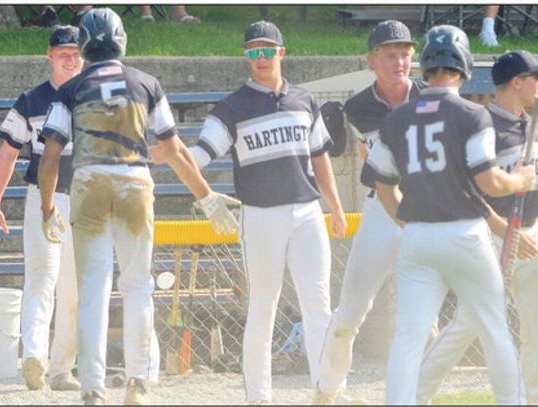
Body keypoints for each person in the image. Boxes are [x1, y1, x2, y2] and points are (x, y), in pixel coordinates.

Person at [38, 8, 239, 405]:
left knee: (93, 289)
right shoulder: (146, 83)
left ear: (84, 45)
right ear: (121, 40)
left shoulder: (71, 89)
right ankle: (138, 382)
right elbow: (174, 149)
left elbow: (50, 155)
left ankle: (92, 386)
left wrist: (46, 206)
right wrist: (206, 196)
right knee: (137, 286)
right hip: (134, 181)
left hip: (90, 181)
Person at [367, 24, 534, 404]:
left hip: (418, 238)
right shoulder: (473, 115)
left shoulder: (396, 119)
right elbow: (490, 181)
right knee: (494, 331)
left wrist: (407, 223)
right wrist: (519, 180)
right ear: (464, 64)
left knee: (408, 340)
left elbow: (383, 187)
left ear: (425, 64)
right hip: (466, 234)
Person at [187, 20, 347, 404]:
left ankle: (328, 390)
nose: (261, 57)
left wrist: (336, 207)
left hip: (307, 211)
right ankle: (259, 397)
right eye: (254, 51)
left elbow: (320, 158)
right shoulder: (231, 108)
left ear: (281, 52)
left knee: (318, 304)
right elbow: (200, 155)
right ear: (247, 56)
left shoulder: (304, 100)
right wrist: (173, 156)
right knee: (263, 306)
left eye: (267, 50)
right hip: (259, 215)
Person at [313, 20, 426, 404]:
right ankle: (327, 391)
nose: (399, 62)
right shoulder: (357, 107)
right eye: (390, 55)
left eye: (406, 55)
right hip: (381, 211)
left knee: (426, 321)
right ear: (372, 60)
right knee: (348, 317)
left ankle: (420, 394)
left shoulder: (432, 98)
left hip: (426, 214)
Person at [417, 49, 538, 405]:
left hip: (529, 238)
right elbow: (463, 189)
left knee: (535, 328)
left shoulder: (530, 126)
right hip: (490, 238)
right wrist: (503, 230)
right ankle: (411, 394)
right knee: (467, 327)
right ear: (517, 82)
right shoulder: (480, 125)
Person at [0, 25, 82, 392]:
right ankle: (35, 356)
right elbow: (7, 152)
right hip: (41, 196)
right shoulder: (30, 99)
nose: (71, 58)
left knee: (75, 288)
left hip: (84, 198)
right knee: (41, 280)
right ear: (49, 55)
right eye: (63, 52)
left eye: (76, 51)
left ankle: (63, 367)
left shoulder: (92, 97)